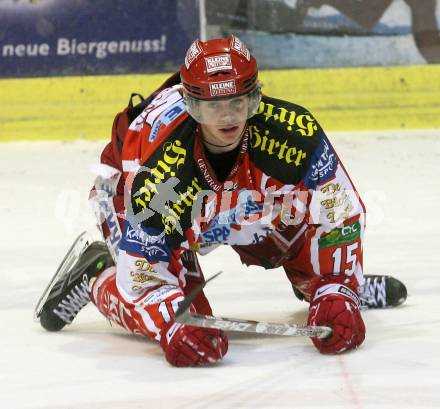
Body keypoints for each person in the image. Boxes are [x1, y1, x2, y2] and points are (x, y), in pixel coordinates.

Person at [37, 35, 407, 367]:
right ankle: (95, 275)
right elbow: (142, 278)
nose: (229, 116)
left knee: (294, 222)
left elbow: (338, 212)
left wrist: (337, 287)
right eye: (214, 106)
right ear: (191, 106)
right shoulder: (162, 176)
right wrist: (169, 322)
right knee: (193, 324)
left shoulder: (296, 135)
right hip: (127, 188)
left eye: (238, 101)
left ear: (255, 97)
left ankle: (328, 287)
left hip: (225, 200)